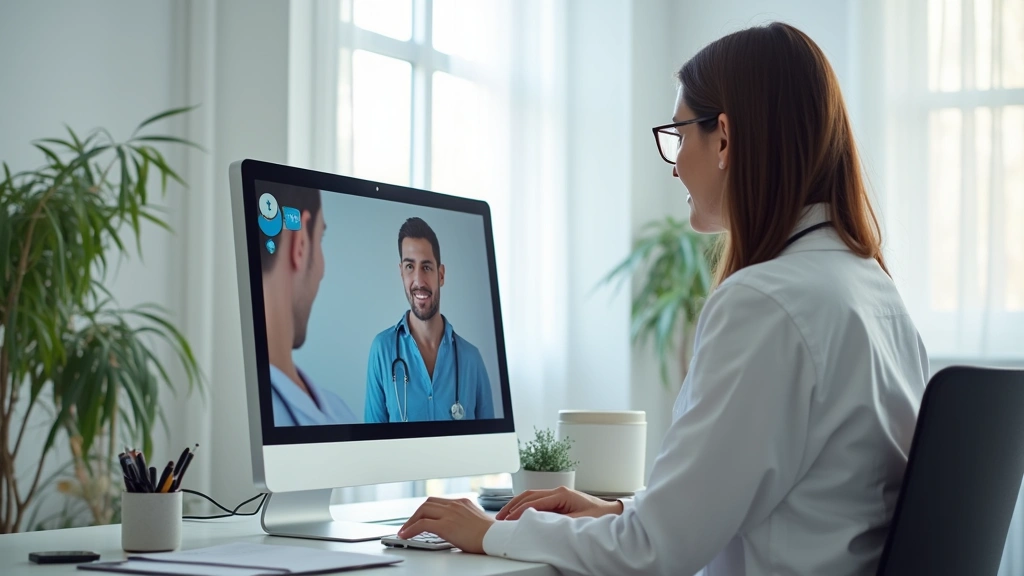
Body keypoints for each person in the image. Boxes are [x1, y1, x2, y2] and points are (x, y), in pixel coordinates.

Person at [395, 22, 929, 575]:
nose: (674, 165)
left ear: (724, 139)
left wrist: (492, 533)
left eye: (679, 134)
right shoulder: (871, 289)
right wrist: (621, 511)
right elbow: (767, 502)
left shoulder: (766, 304)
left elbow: (652, 555)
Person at [364, 217, 495, 423]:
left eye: (426, 267)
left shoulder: (472, 360)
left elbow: (490, 441)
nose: (418, 281)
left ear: (441, 275)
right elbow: (372, 440)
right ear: (401, 273)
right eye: (410, 266)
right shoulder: (382, 351)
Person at [260, 184, 359, 426]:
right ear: (301, 242)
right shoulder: (342, 417)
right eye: (320, 238)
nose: (322, 271)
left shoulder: (335, 410)